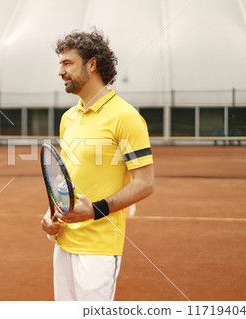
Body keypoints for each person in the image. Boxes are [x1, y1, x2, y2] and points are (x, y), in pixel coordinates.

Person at [41, 29, 155, 301]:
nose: (60, 71)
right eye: (60, 63)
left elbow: (145, 183)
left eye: (67, 63)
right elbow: (68, 178)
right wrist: (52, 213)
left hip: (99, 248)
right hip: (64, 242)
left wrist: (95, 210)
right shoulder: (69, 118)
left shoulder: (125, 117)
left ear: (92, 64)